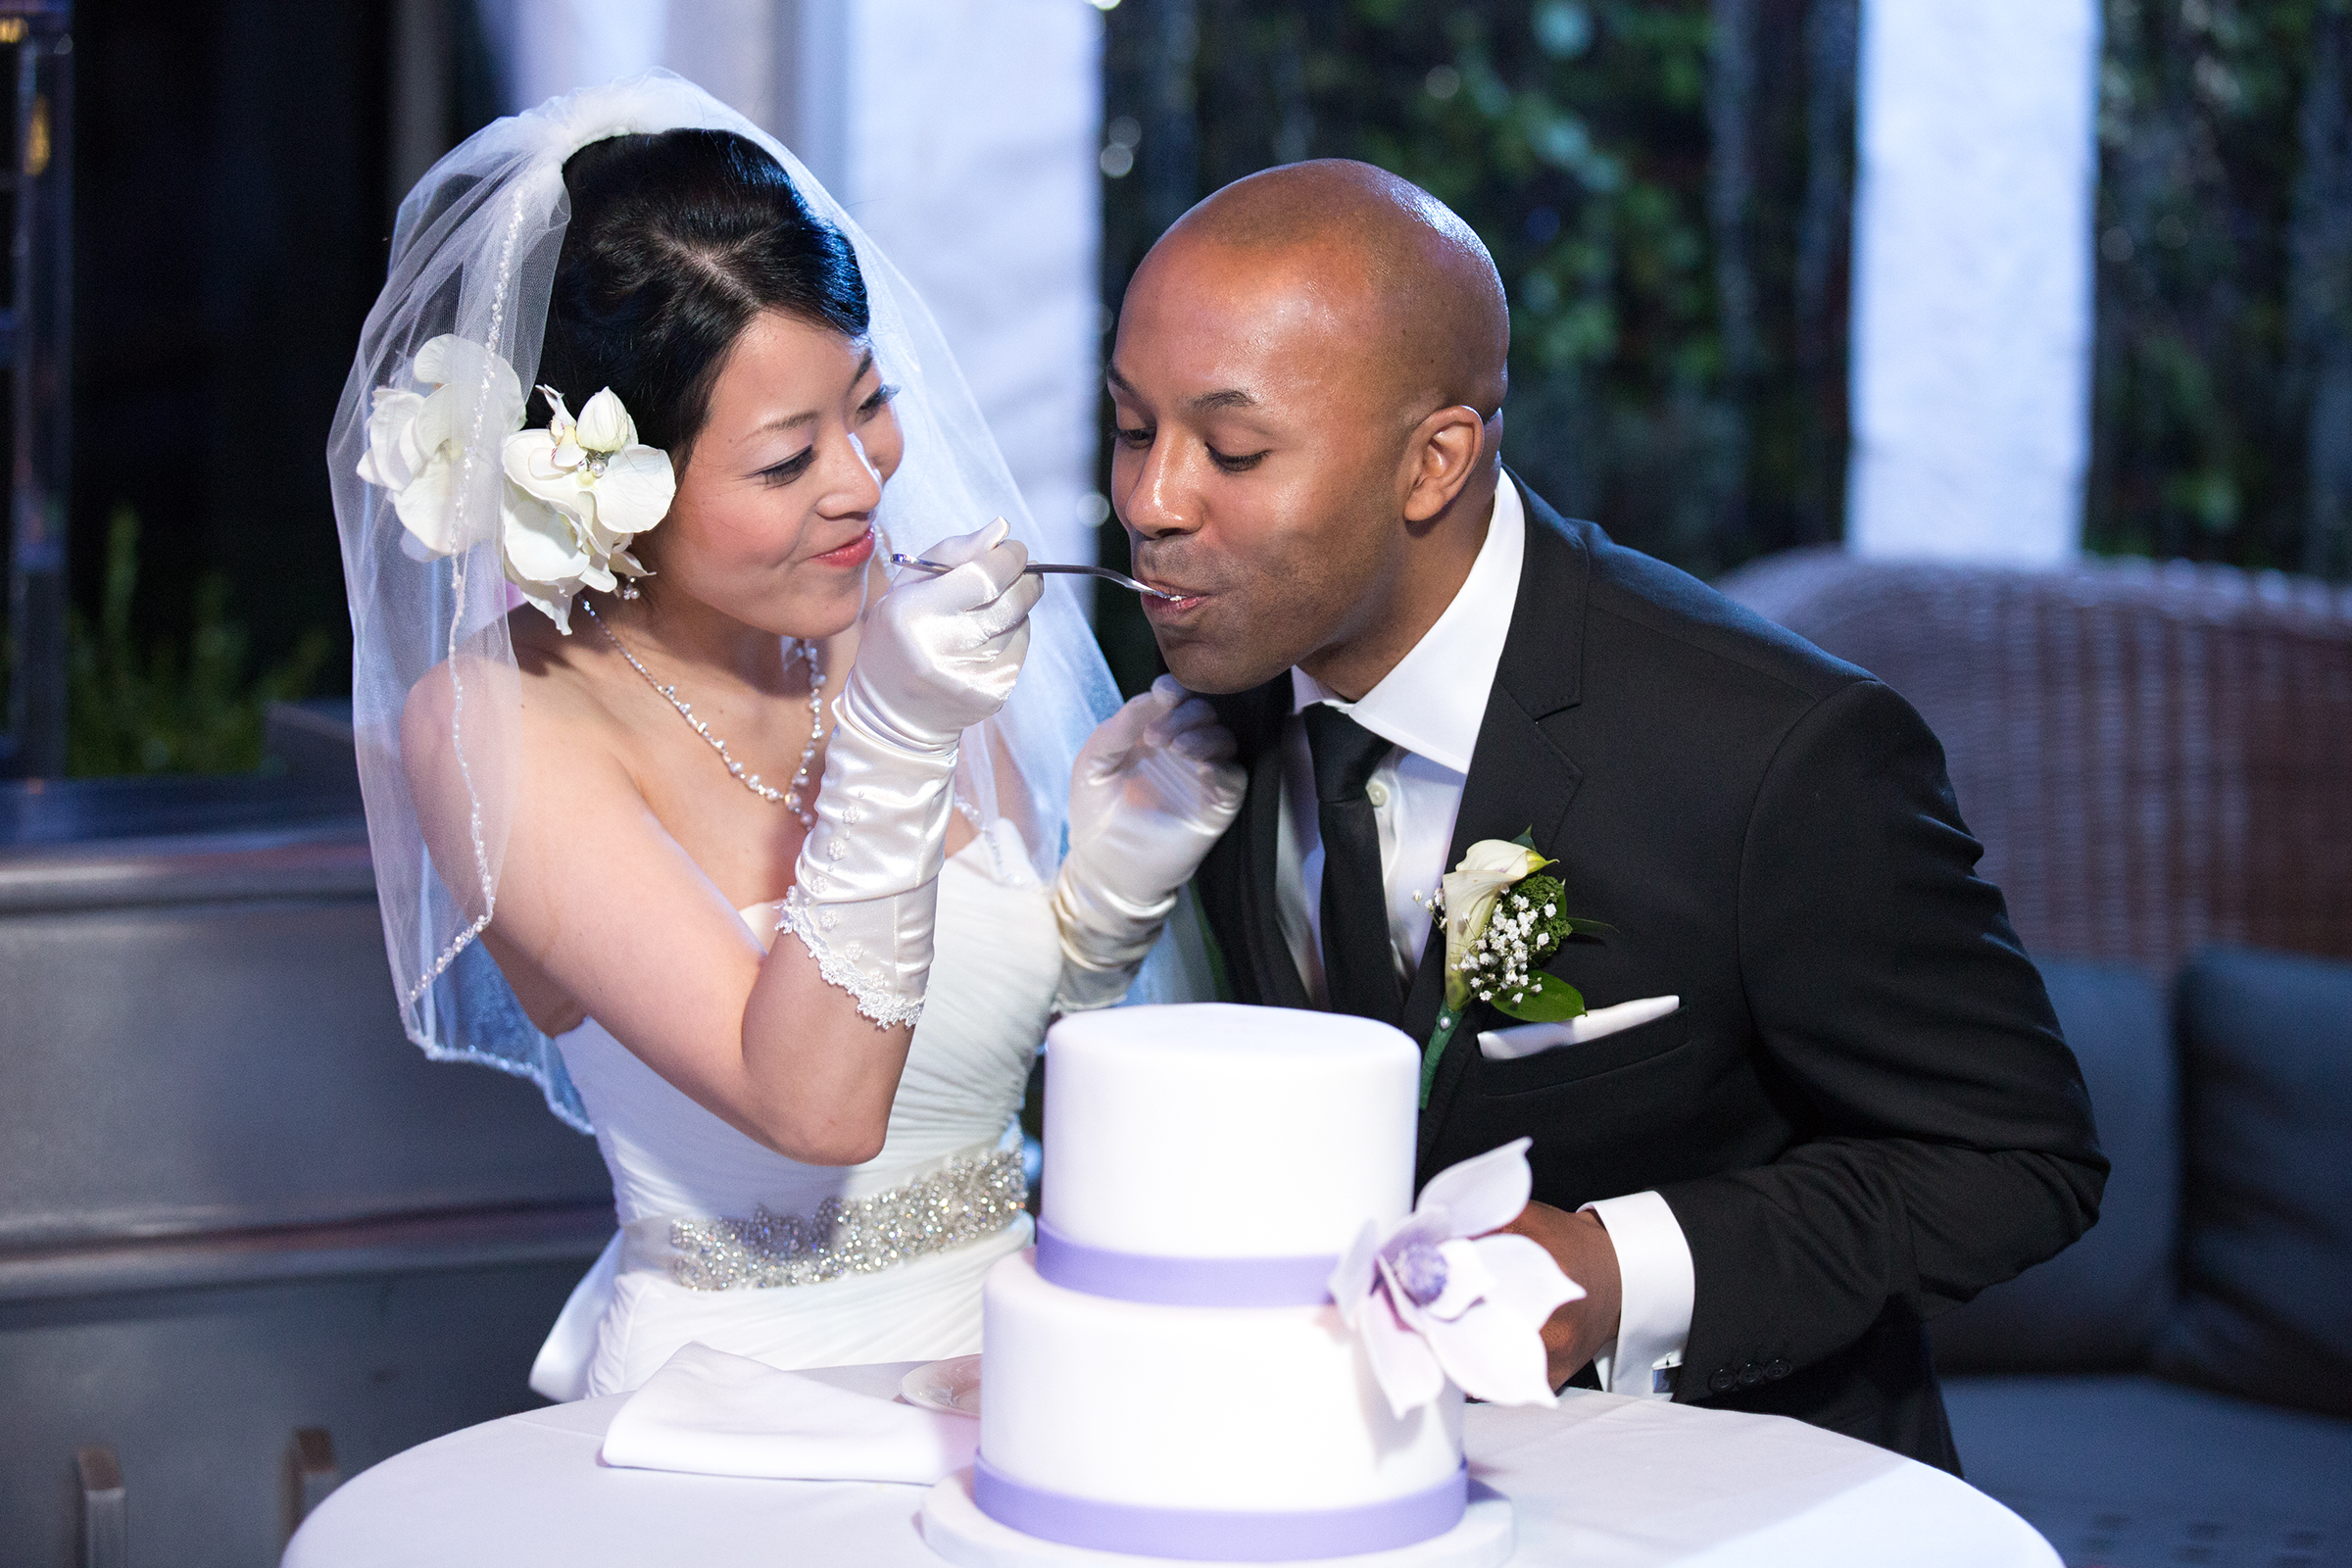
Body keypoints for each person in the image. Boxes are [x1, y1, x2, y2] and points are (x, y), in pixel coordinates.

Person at [1107, 159, 2106, 1470]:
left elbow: (2022, 1160)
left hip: (1723, 1501)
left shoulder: (1775, 755)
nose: (1152, 503)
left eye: (1233, 450)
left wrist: (1613, 1269)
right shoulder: (1196, 679)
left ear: (1435, 462)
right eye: (1130, 428)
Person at [328, 74, 1239, 1399]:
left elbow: (948, 1065)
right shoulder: (492, 724)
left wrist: (1093, 914)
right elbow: (816, 1108)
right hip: (737, 1414)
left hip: (1030, 1383)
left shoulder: (889, 618)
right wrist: (893, 735)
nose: (863, 484)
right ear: (612, 485)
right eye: (782, 460)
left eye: (867, 405)